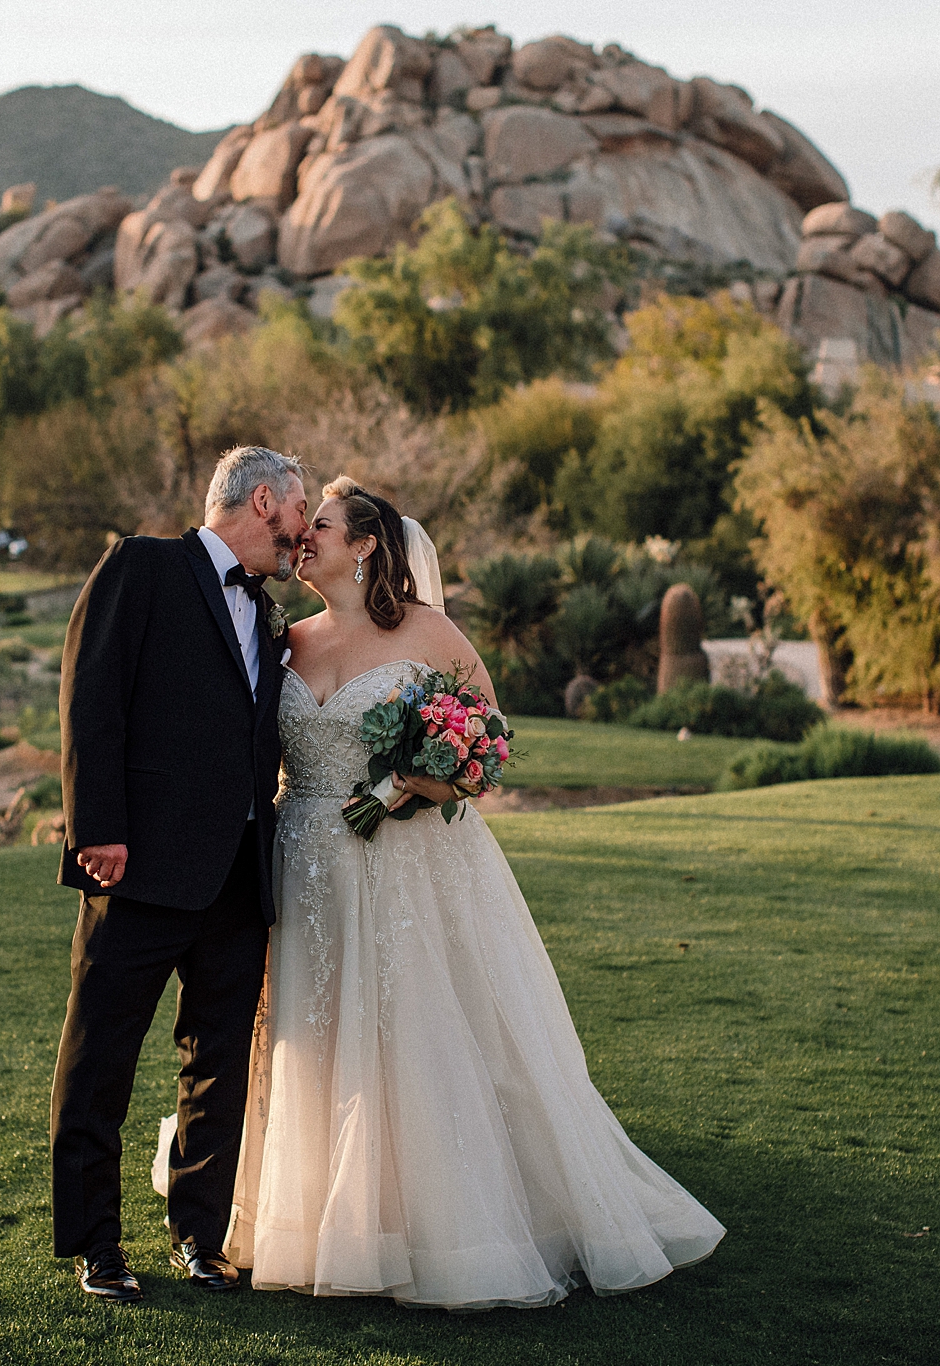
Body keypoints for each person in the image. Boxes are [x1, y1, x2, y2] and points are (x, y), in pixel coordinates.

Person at [220, 476, 725, 1310]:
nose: (305, 537)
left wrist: (404, 790)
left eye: (323, 525)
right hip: (301, 860)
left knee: (411, 1030)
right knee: (316, 1032)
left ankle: (438, 1218)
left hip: (400, 864)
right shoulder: (288, 639)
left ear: (369, 542)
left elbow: (483, 743)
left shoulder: (426, 630)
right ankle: (311, 1213)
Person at [50, 446, 310, 1304]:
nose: (303, 533)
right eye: (299, 511)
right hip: (139, 866)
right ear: (262, 500)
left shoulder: (271, 614)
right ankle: (96, 1247)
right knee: (101, 1059)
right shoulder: (144, 565)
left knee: (218, 1060)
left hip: (240, 873)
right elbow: (92, 697)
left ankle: (200, 1237)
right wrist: (98, 831)